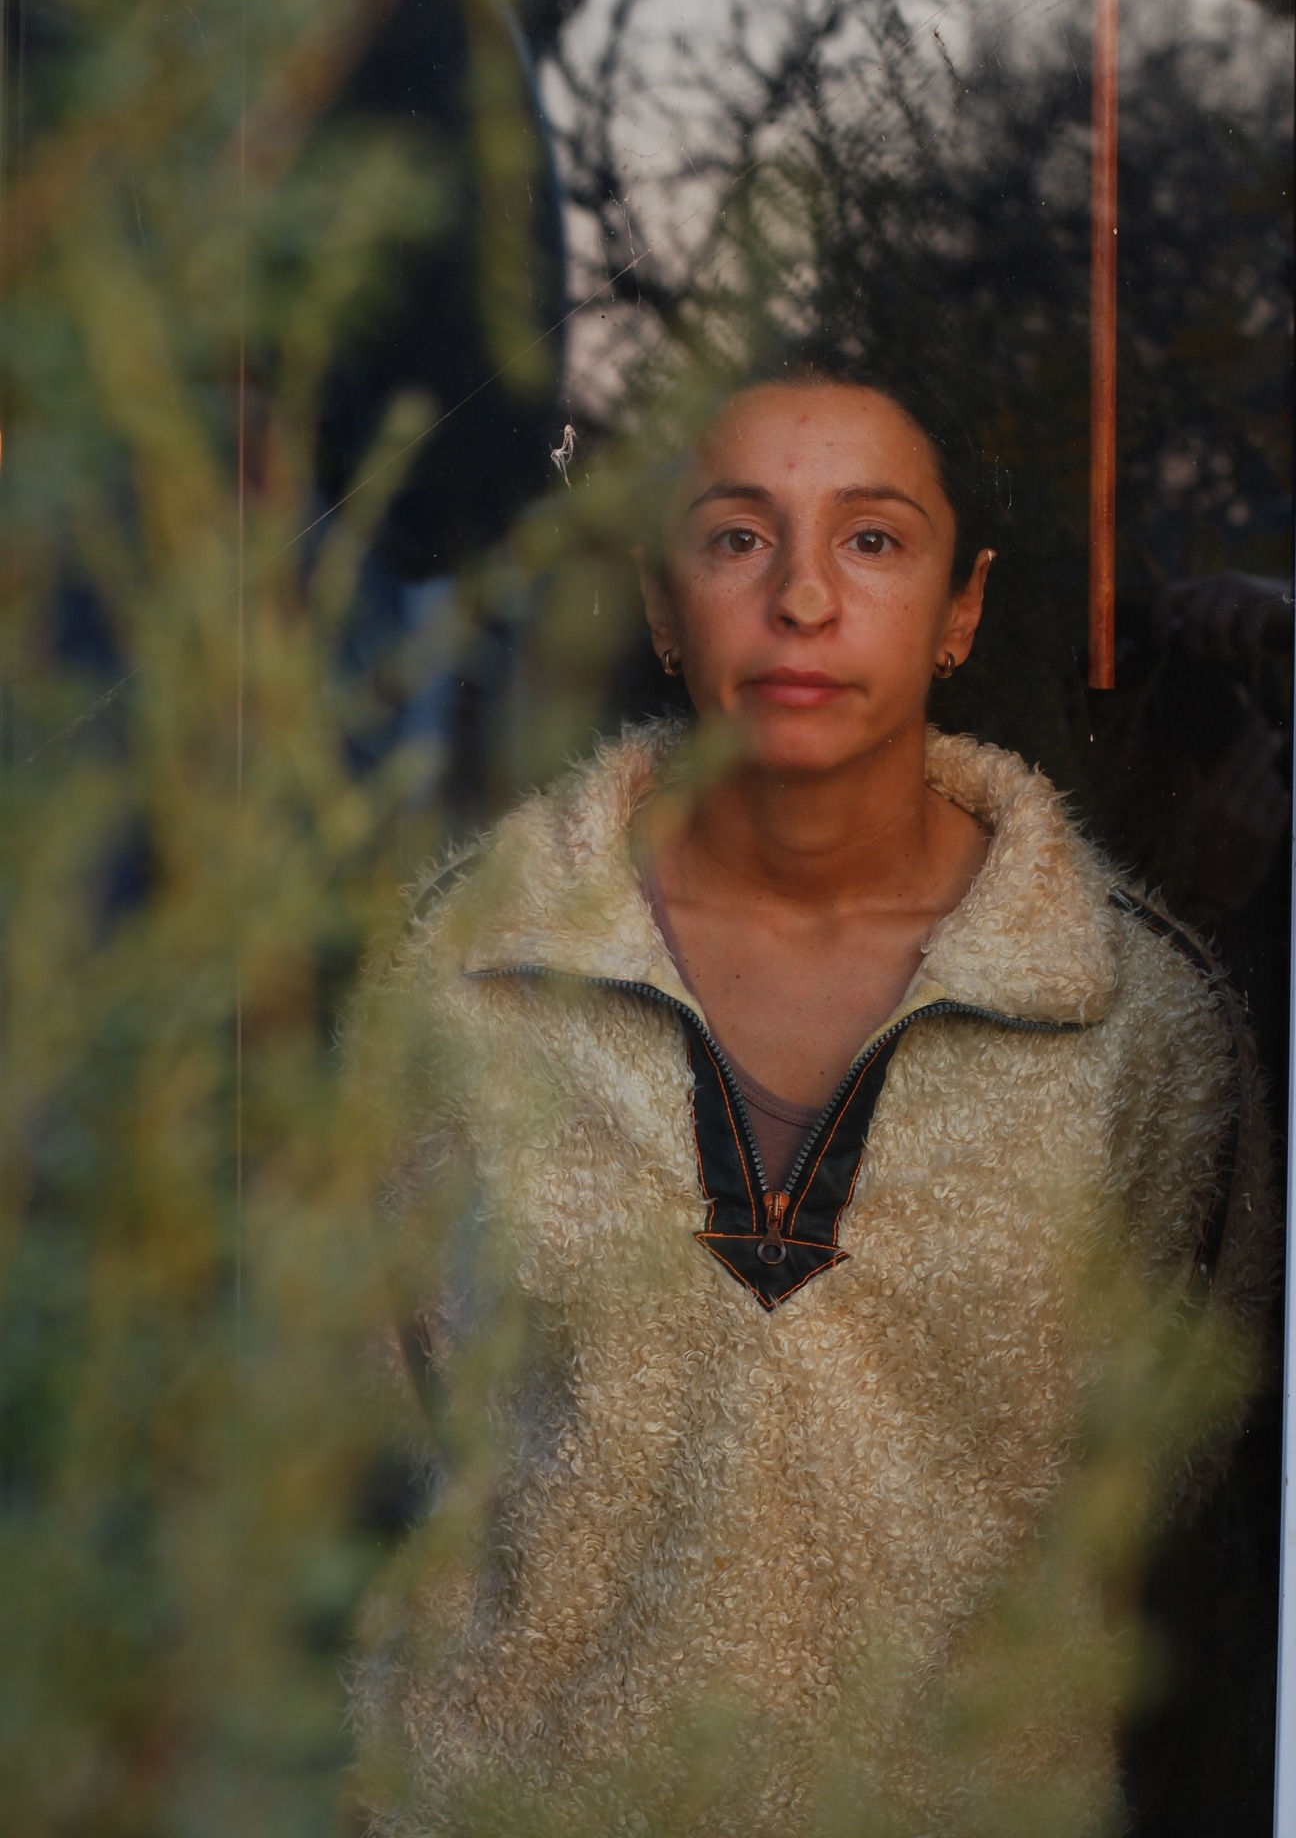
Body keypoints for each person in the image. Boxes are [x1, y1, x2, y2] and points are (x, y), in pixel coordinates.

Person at [354, 359, 1276, 1838]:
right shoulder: (472, 972)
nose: (800, 598)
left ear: (963, 609)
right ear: (662, 608)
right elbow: (376, 1444)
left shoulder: (1143, 1026)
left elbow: (1176, 1528)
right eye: (737, 537)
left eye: (872, 538)